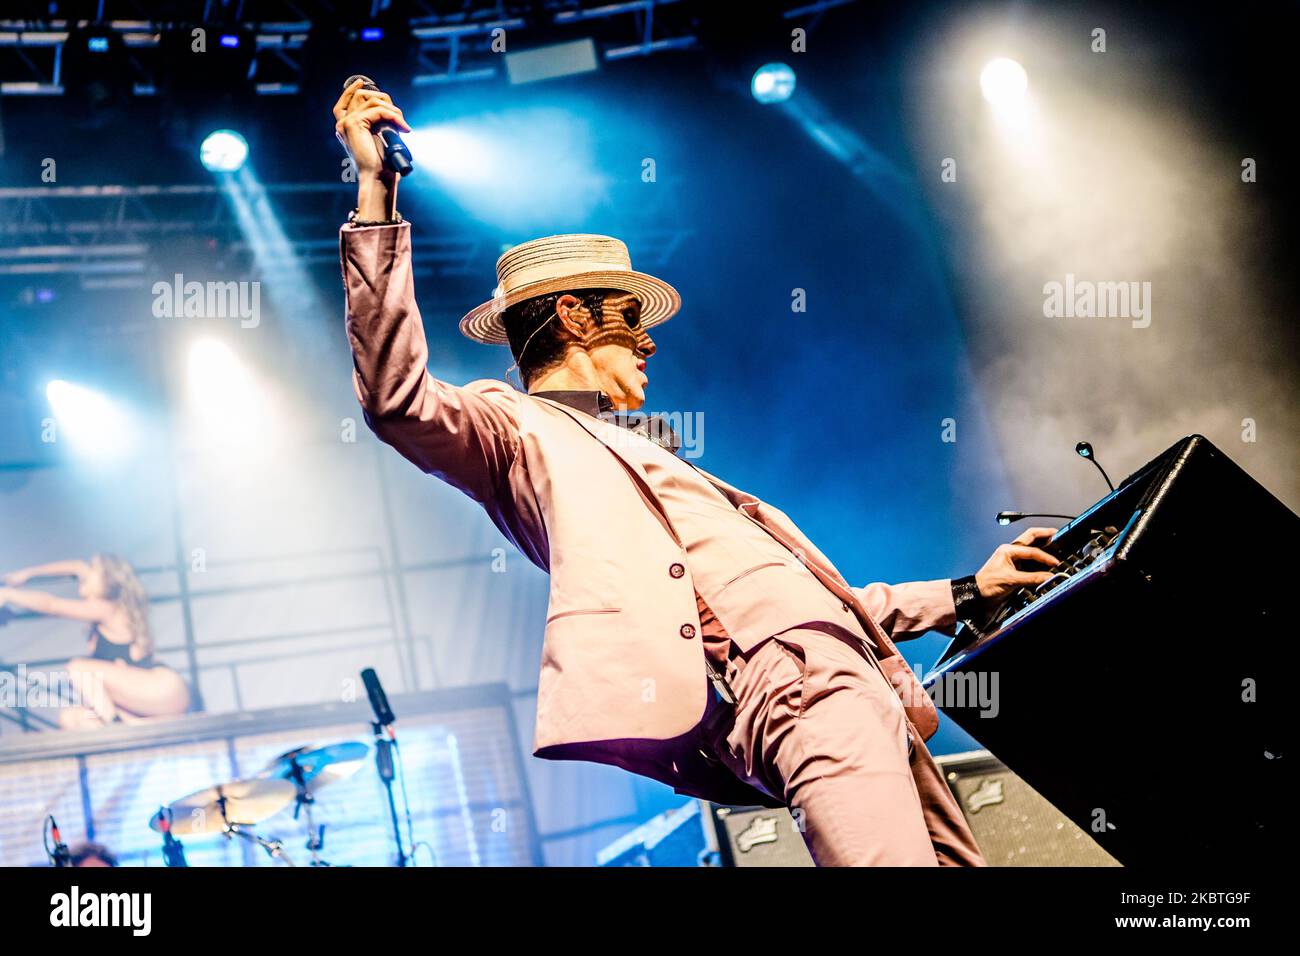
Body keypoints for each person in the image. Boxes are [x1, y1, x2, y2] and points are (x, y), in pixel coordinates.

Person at [332, 80, 1060, 865]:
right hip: (797, 692)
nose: (648, 342)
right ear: (576, 316)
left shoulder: (646, 452)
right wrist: (377, 191)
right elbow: (395, 400)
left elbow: (799, 600)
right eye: (630, 317)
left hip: (863, 685)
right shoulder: (517, 429)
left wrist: (958, 595)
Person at [0, 555, 191, 727]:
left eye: (93, 569)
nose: (85, 572)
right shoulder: (102, 611)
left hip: (162, 688)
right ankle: (131, 724)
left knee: (79, 668)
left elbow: (52, 605)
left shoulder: (108, 607)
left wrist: (8, 594)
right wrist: (28, 574)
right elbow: (75, 566)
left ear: (108, 580)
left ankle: (116, 726)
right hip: (143, 700)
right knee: (70, 718)